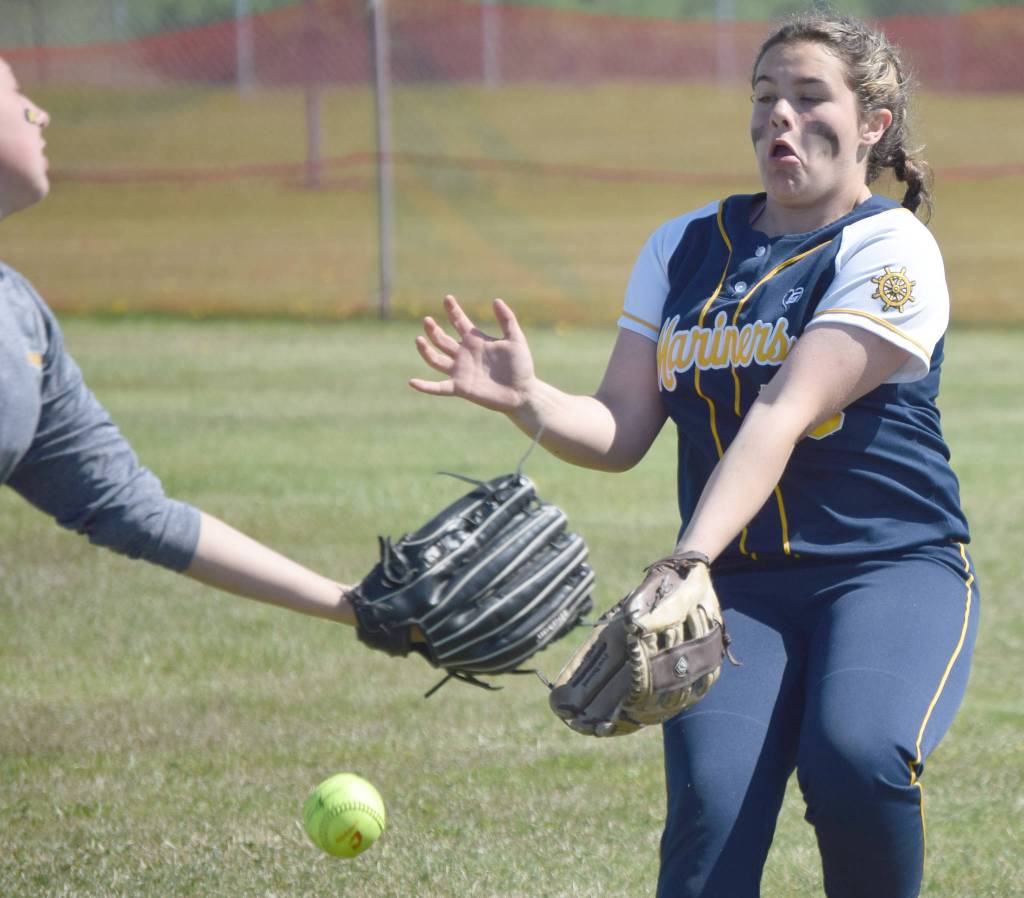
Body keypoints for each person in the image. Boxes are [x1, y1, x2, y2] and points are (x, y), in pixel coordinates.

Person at [410, 10, 977, 898]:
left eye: (807, 96)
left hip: (884, 569)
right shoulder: (682, 248)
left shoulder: (890, 248)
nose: (778, 118)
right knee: (711, 817)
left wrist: (684, 558)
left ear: (873, 123)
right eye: (764, 98)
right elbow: (621, 431)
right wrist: (530, 399)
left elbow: (781, 415)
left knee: (856, 756)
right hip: (738, 589)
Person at [0, 56, 358, 630]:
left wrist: (357, 606)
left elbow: (128, 506)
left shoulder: (20, 316)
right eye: (17, 94)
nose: (40, 114)